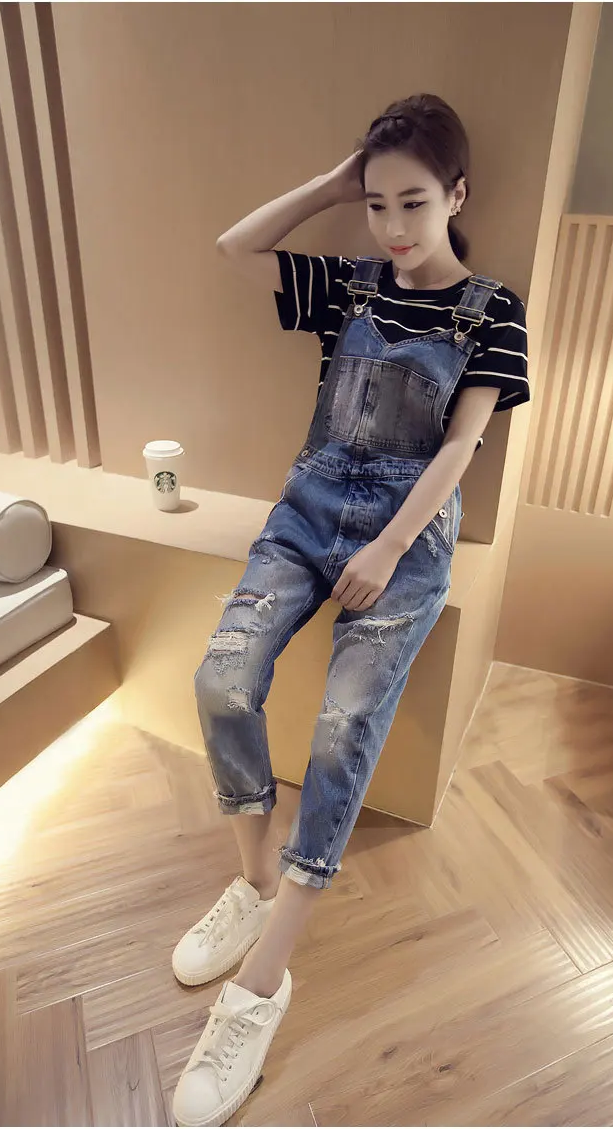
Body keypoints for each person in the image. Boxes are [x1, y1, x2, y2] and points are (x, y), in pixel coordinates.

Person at [171, 92, 530, 1127]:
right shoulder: (349, 281)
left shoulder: (492, 311)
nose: (393, 227)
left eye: (414, 202)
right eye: (377, 204)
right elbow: (236, 247)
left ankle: (260, 988)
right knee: (222, 680)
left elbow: (461, 448)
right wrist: (335, 184)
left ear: (458, 194)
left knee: (339, 734)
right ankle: (251, 885)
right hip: (307, 509)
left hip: (406, 537)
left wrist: (387, 546)